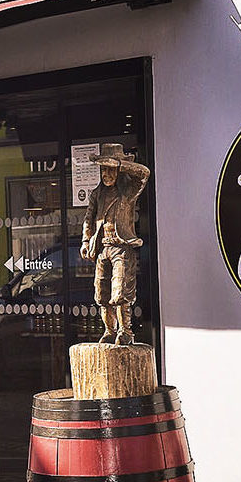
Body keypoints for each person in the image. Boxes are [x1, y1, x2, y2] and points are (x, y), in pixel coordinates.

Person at [80, 144, 150, 345]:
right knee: (101, 293)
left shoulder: (128, 191)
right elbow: (88, 218)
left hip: (121, 247)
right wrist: (86, 240)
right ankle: (109, 331)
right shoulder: (97, 193)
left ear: (119, 170)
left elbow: (144, 174)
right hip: (102, 248)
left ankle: (125, 331)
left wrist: (123, 164)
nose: (106, 174)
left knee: (120, 293)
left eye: (110, 169)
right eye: (103, 169)